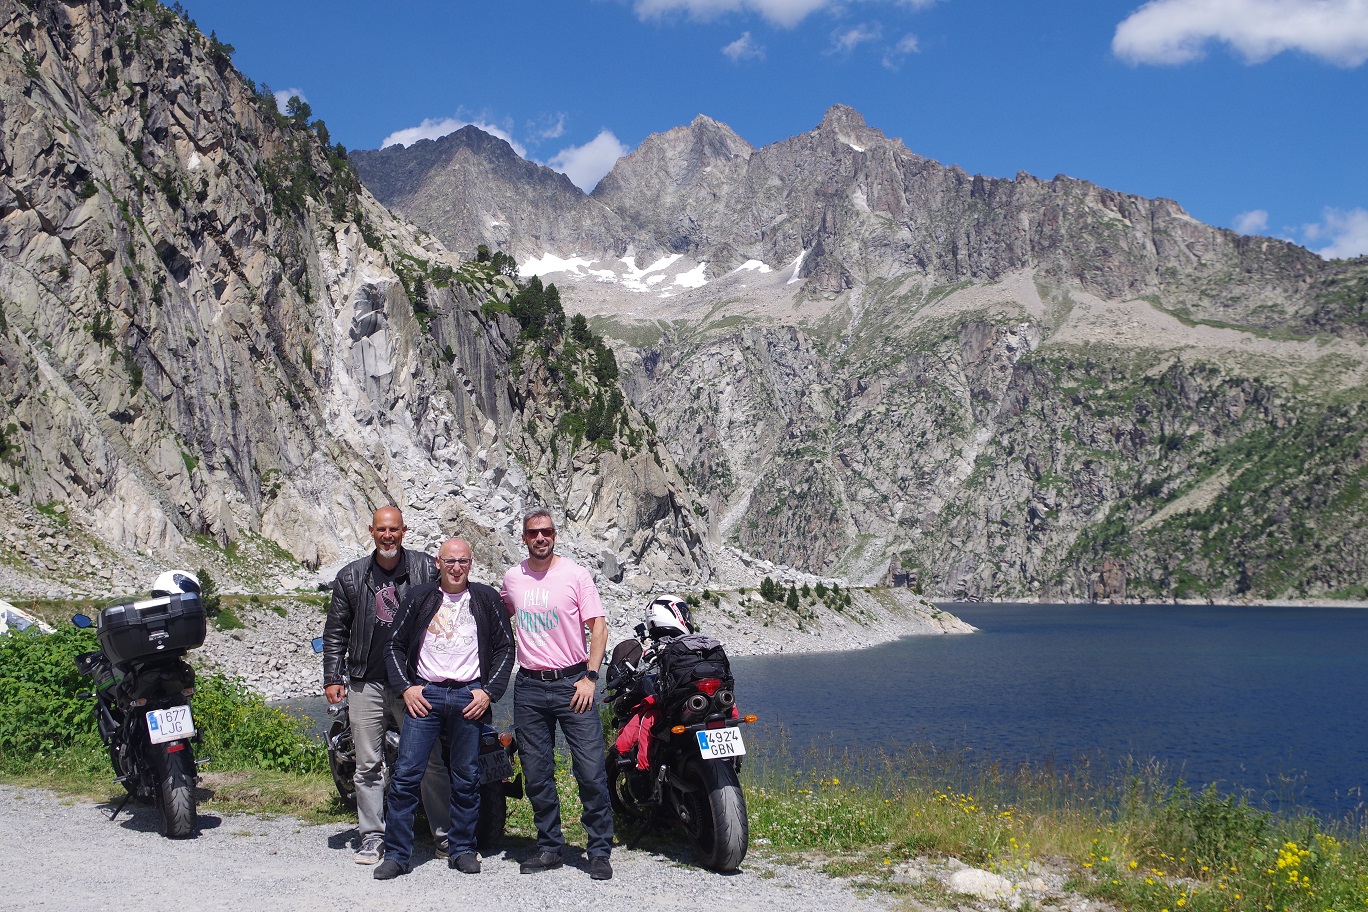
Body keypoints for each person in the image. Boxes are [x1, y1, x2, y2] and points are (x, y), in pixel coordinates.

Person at [372, 538, 514, 880]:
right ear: (438, 563)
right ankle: (396, 854)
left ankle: (463, 849)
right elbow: (394, 644)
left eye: (462, 561)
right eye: (450, 561)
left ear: (471, 562)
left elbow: (505, 649)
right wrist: (406, 688)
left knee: (467, 778)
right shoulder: (420, 597)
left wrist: (489, 692)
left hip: (469, 697)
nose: (456, 567)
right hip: (426, 696)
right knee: (406, 776)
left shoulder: (486, 598)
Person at [320, 505, 447, 865]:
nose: (387, 536)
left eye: (394, 529)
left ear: (404, 531)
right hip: (366, 683)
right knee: (368, 764)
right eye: (381, 530)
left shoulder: (425, 568)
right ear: (371, 531)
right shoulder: (351, 577)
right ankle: (372, 837)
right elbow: (335, 632)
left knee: (430, 761)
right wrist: (333, 676)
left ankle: (446, 836)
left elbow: (453, 605)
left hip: (413, 683)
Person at [501, 508, 614, 881]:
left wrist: (590, 677)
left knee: (591, 771)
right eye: (533, 532)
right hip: (530, 686)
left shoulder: (575, 575)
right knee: (536, 773)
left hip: (573, 684)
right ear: (523, 537)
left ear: (555, 534)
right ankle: (550, 846)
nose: (540, 538)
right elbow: (496, 621)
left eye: (546, 531)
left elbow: (598, 627)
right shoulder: (512, 579)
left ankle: (598, 850)